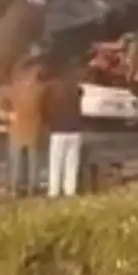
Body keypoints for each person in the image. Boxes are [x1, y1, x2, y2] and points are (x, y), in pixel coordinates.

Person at [0, 57, 48, 198]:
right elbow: (46, 110)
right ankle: (31, 189)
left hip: (17, 130)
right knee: (33, 162)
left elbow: (1, 110)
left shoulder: (10, 89)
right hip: (33, 130)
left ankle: (15, 189)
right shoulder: (41, 90)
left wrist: (7, 115)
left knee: (16, 161)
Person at [43, 65, 85, 198]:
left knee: (56, 163)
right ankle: (70, 190)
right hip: (75, 129)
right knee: (72, 163)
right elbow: (81, 92)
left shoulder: (52, 90)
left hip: (58, 130)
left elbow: (46, 109)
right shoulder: (75, 89)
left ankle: (54, 191)